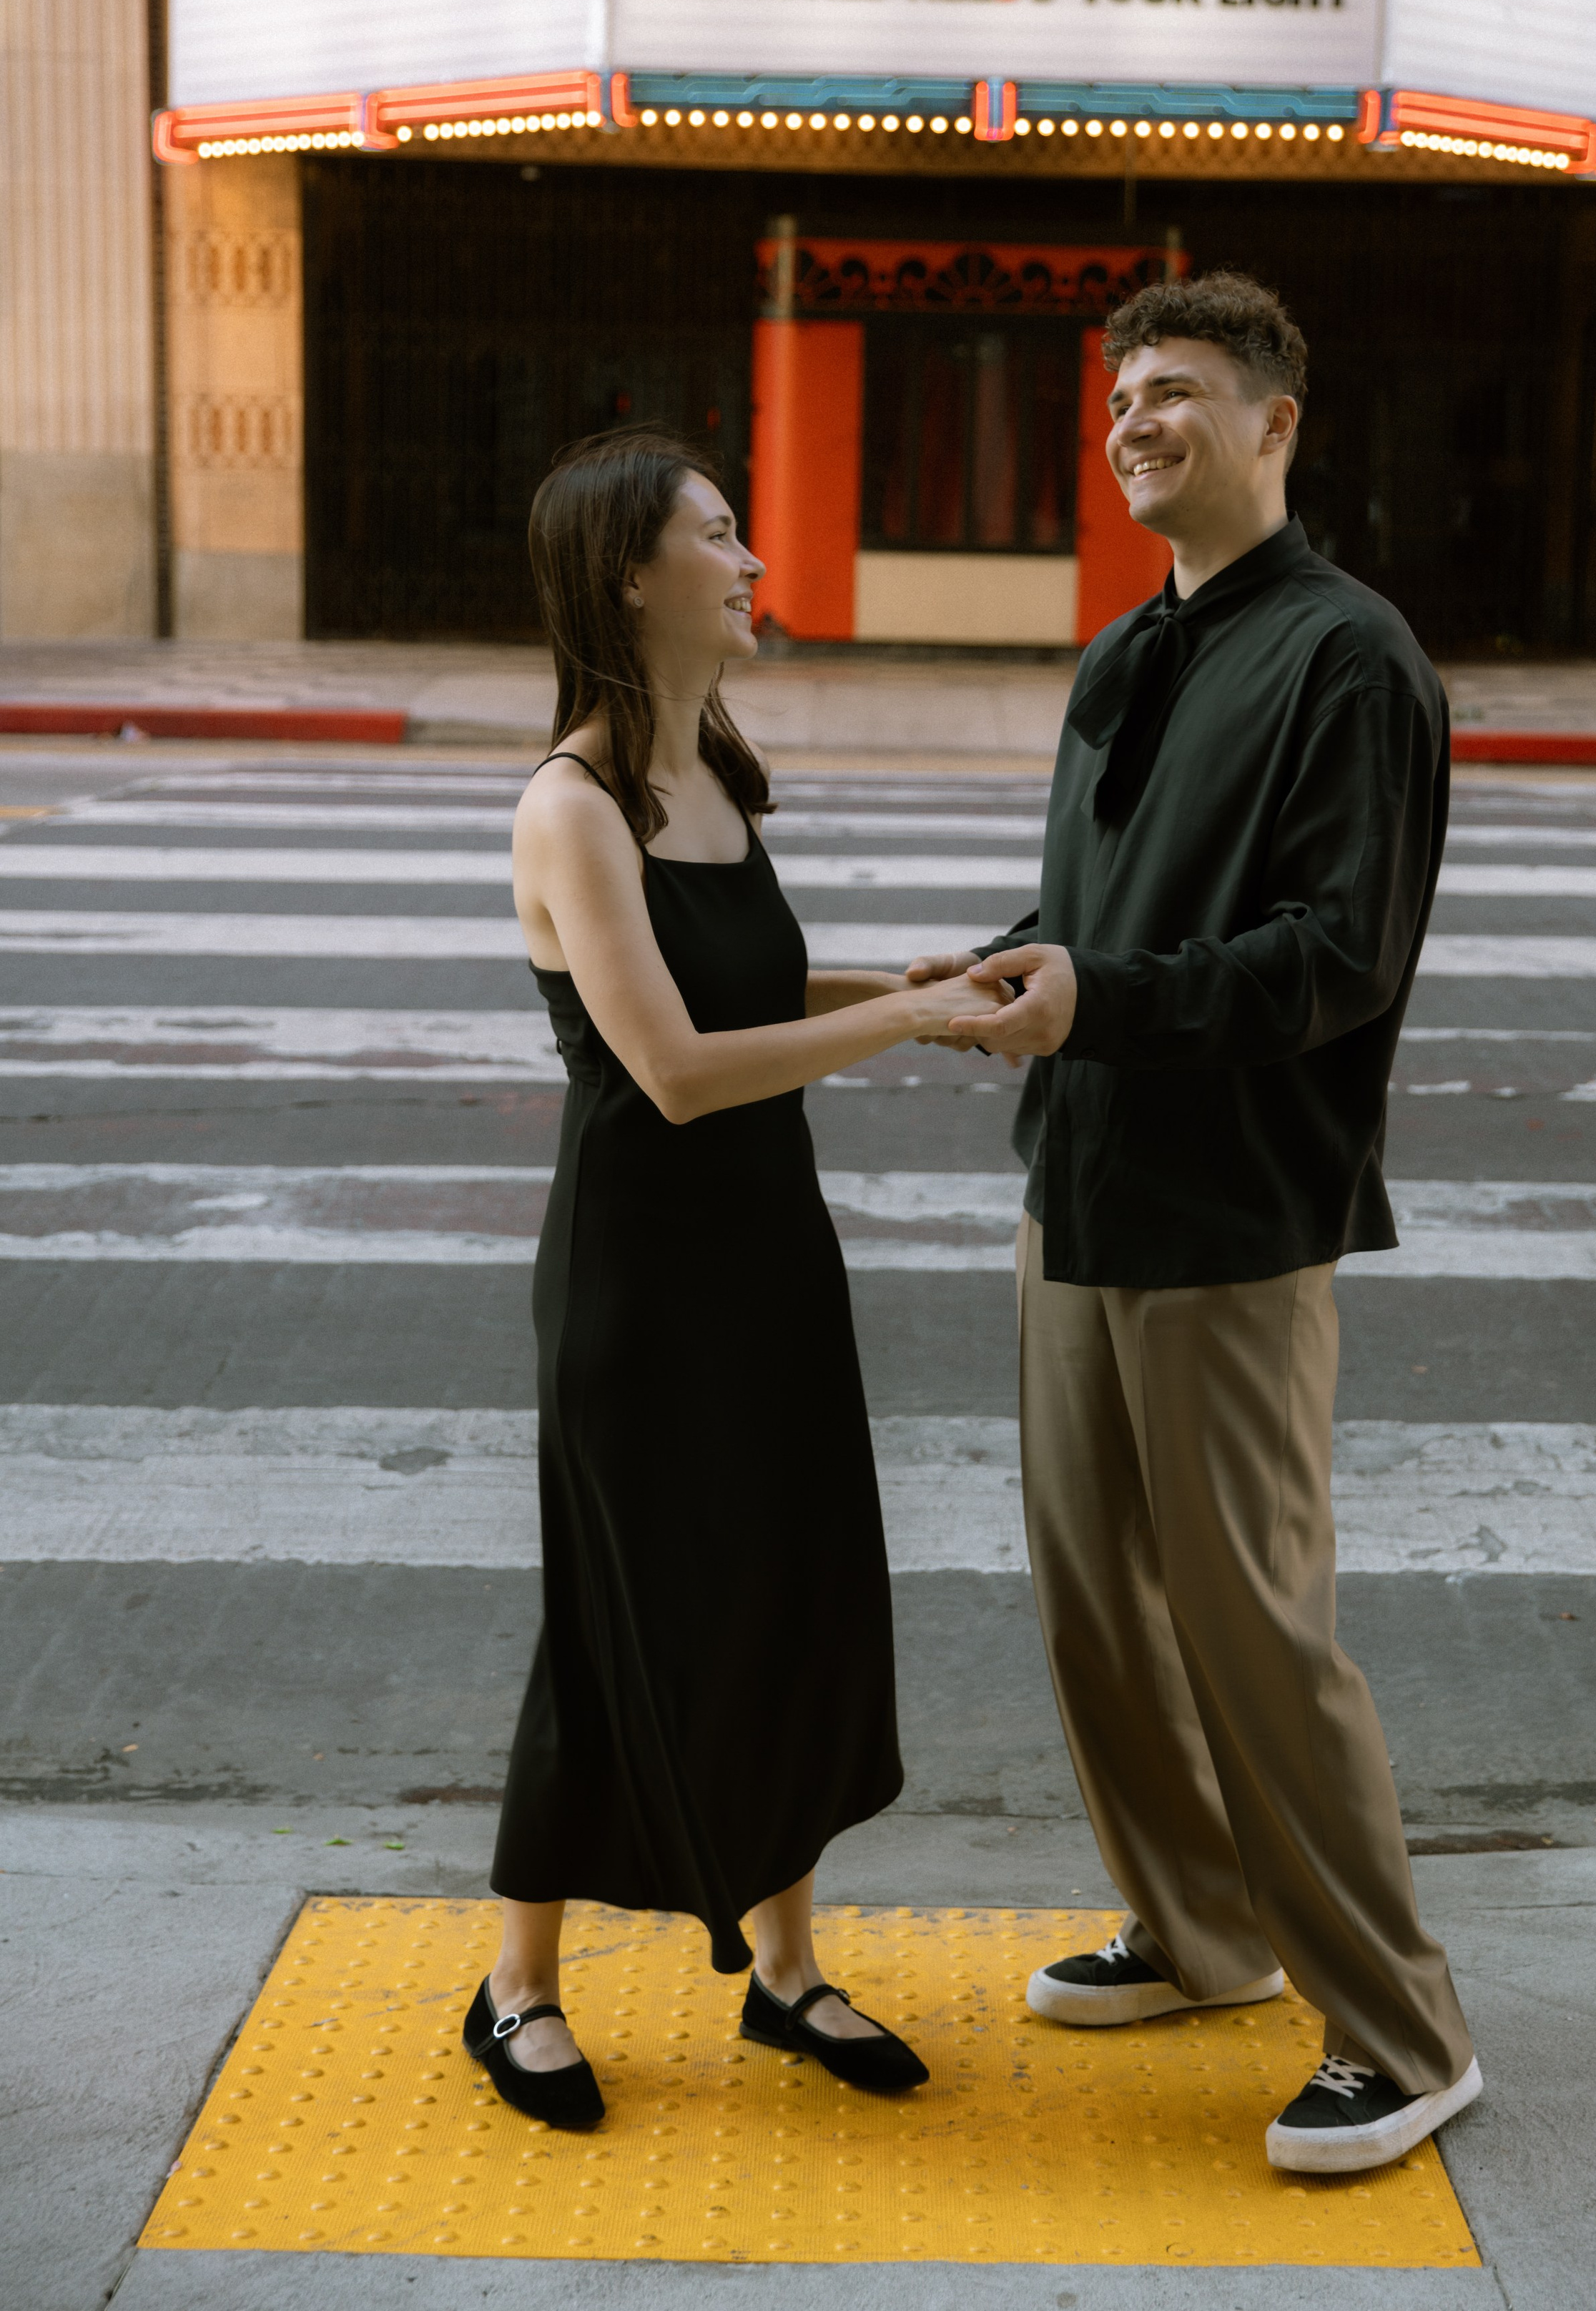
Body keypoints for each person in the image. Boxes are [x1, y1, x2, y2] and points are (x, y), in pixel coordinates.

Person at [913, 272, 1482, 2177]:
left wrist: (1108, 994)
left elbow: (1336, 958)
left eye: (1173, 392)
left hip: (1234, 1208)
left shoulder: (1353, 657)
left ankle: (1402, 2027)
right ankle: (1203, 1924)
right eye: (1117, 399)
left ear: (1276, 421)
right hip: (1076, 1184)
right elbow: (1107, 892)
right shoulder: (1123, 650)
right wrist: (1011, 964)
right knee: (1096, 1605)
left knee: (1256, 1629)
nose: (1133, 423)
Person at [468, 425, 1002, 2130]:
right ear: (632, 572)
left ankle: (783, 1973)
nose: (755, 558)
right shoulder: (570, 802)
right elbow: (679, 1069)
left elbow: (744, 974)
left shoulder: (706, 763)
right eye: (720, 533)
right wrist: (906, 1021)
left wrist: (908, 969)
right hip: (644, 1277)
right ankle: (515, 1987)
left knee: (783, 1592)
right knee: (621, 1620)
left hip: (769, 1254)